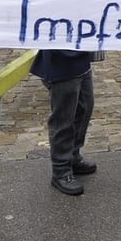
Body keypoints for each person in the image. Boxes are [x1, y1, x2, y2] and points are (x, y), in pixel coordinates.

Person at [30, 50, 97, 195]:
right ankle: (61, 170)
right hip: (61, 61)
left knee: (84, 108)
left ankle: (73, 156)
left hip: (81, 57)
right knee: (63, 118)